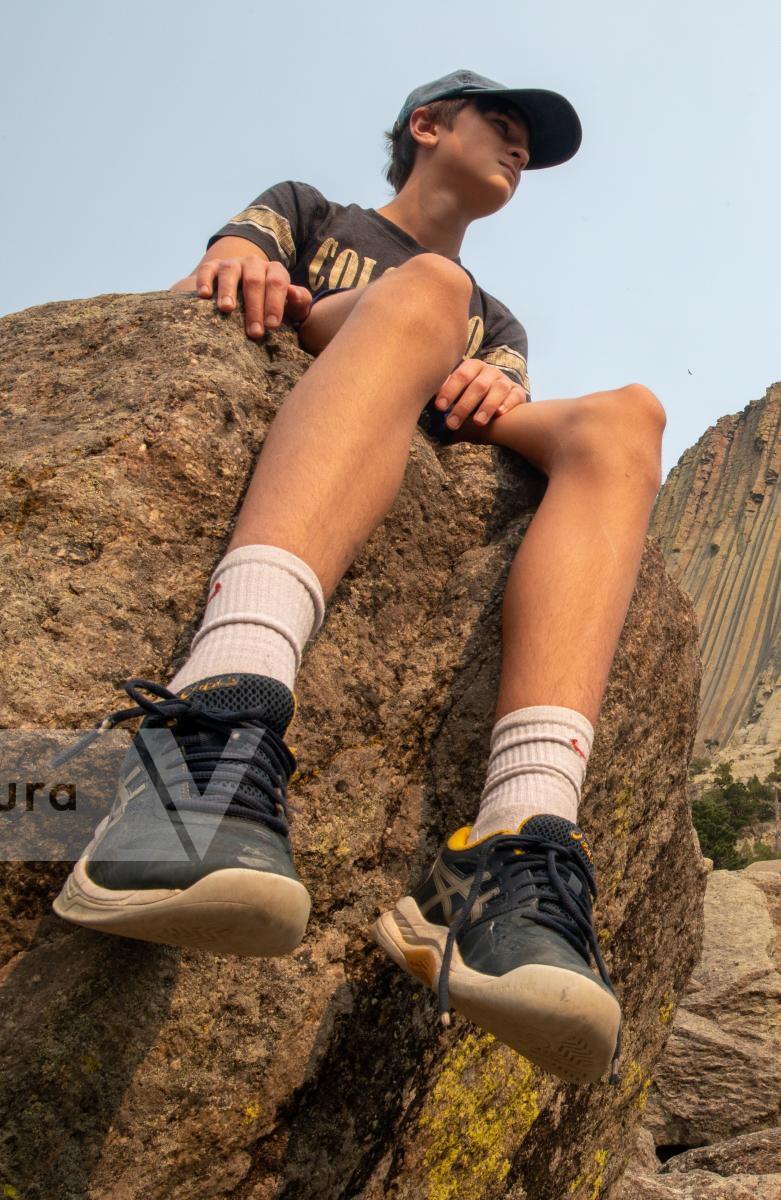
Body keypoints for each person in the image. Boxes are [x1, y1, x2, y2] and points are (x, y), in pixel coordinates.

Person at [49, 70, 662, 1086]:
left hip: (429, 373)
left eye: (526, 144)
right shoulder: (311, 211)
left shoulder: (496, 321)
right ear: (428, 126)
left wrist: (488, 377)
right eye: (501, 128)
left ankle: (512, 862)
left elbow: (494, 402)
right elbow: (230, 269)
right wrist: (240, 256)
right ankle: (209, 737)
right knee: (430, 288)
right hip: (343, 345)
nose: (519, 151)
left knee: (630, 415)